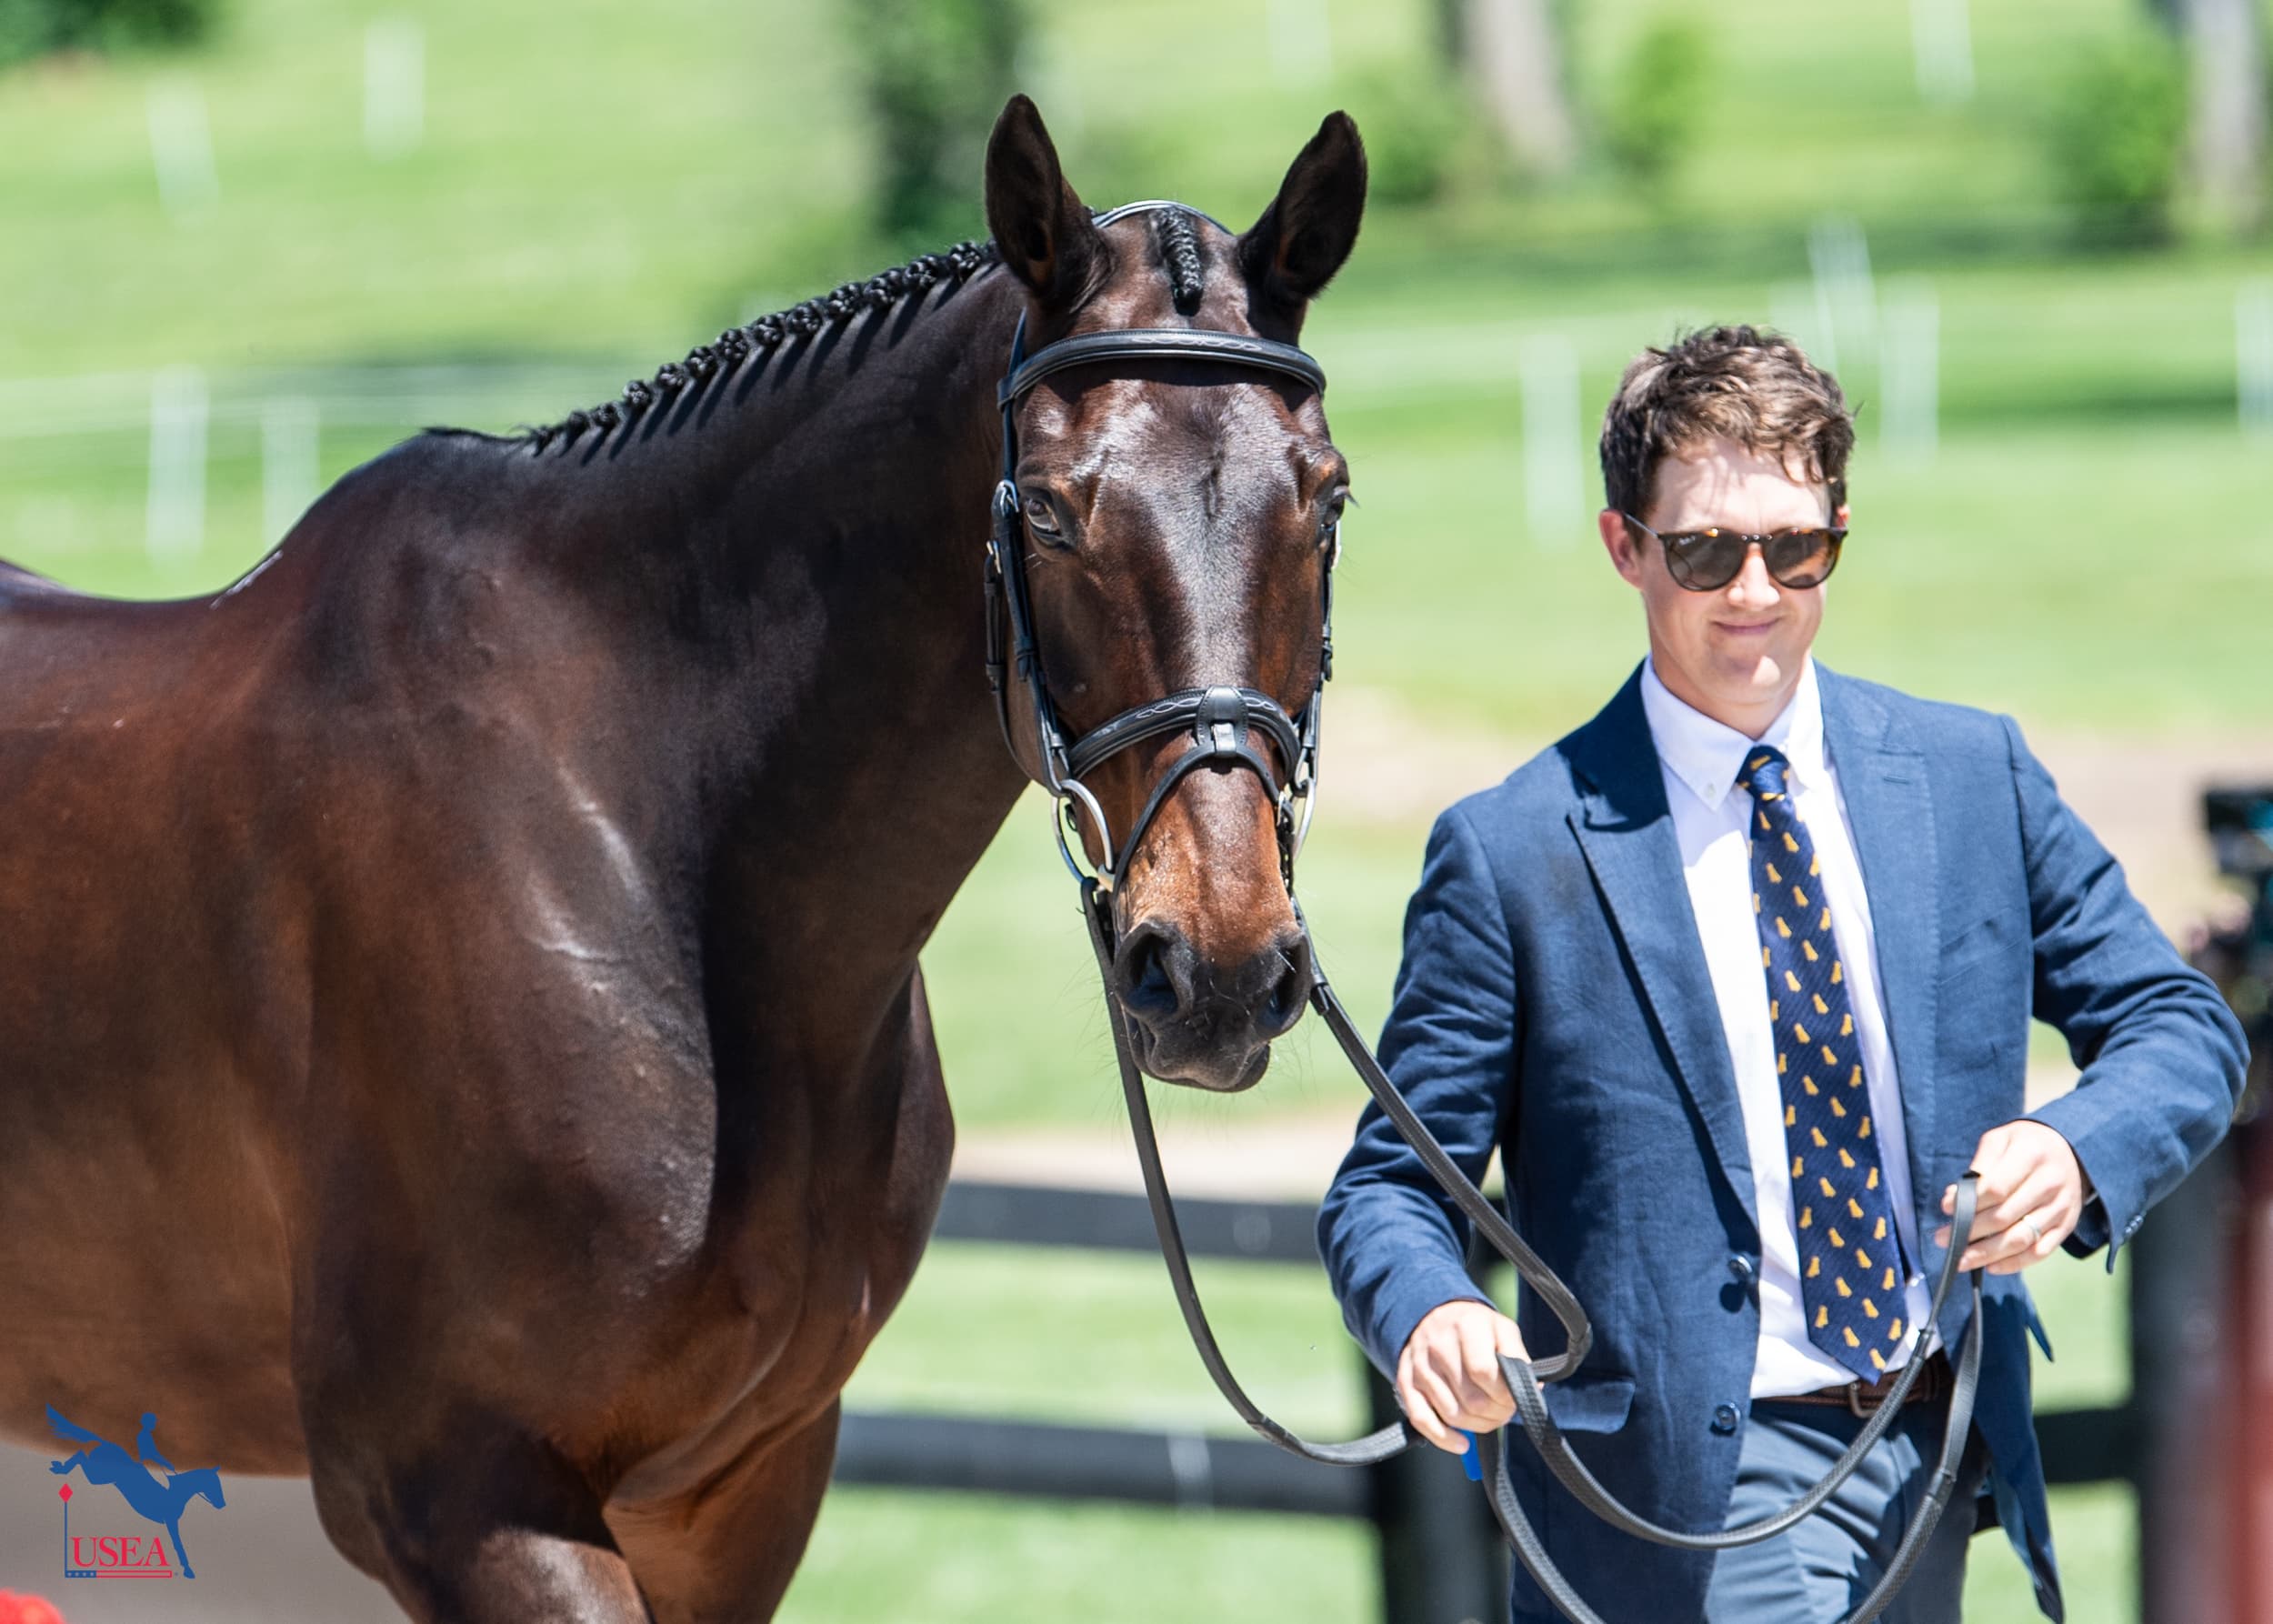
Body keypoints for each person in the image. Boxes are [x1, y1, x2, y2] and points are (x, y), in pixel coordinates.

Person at [1317, 326, 2248, 1623]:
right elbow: (1390, 1187)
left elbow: (2179, 1023)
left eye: (1794, 547)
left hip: (1934, 1454)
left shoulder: (1974, 776)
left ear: (1836, 537)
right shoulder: (1513, 850)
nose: (1754, 588)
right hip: (1678, 1501)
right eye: (1705, 549)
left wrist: (2077, 1149)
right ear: (1624, 546)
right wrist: (1428, 1313)